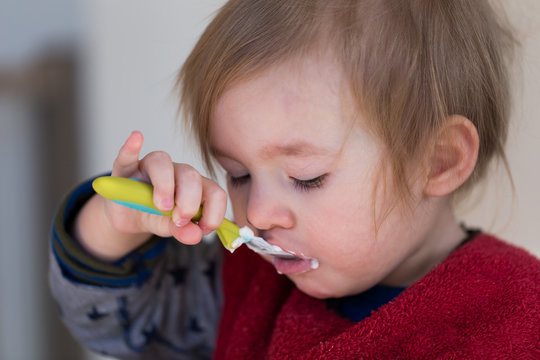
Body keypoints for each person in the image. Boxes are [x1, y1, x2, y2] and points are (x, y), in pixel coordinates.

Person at [49, 0, 540, 359]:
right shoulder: (240, 286)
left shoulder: (516, 317)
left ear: (436, 162)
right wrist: (112, 226)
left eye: (306, 178)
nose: (258, 213)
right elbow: (118, 326)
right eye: (237, 175)